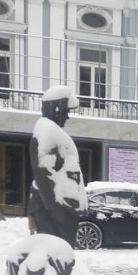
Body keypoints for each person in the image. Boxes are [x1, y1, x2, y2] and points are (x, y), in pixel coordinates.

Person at [28, 85, 87, 247]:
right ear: (56, 108)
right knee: (57, 251)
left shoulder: (48, 130)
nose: (67, 117)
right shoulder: (47, 132)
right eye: (65, 111)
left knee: (59, 252)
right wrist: (57, 212)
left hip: (59, 208)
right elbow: (43, 174)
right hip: (56, 212)